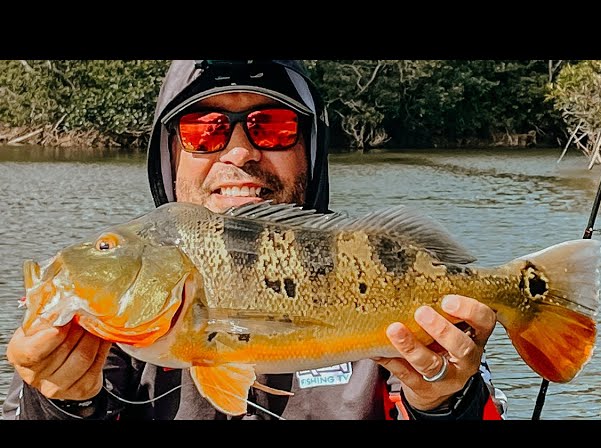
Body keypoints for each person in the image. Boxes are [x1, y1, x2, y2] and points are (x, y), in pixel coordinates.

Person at [2, 60, 506, 420]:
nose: (240, 152)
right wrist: (57, 404)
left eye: (273, 126)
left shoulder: (378, 272)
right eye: (205, 129)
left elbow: (453, 400)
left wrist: (444, 403)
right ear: (170, 155)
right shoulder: (102, 324)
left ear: (309, 150)